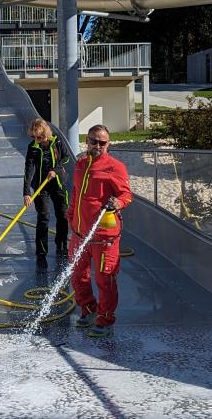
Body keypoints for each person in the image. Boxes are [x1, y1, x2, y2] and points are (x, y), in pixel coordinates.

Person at [67, 124, 132, 337]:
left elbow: (126, 195)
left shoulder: (115, 167)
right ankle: (88, 309)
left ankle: (105, 319)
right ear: (87, 141)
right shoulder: (80, 164)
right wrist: (71, 215)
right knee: (78, 275)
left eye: (103, 143)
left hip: (104, 236)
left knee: (104, 278)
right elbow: (77, 193)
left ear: (108, 144)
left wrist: (118, 203)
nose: (98, 146)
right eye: (94, 141)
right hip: (79, 233)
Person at [23, 118, 71, 270]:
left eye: (40, 137)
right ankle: (41, 252)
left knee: (62, 215)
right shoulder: (33, 147)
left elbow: (66, 158)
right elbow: (28, 170)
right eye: (34, 137)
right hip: (40, 186)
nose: (38, 140)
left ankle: (62, 246)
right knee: (43, 217)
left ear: (46, 134)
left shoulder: (57, 142)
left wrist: (55, 170)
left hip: (57, 183)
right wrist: (26, 193)